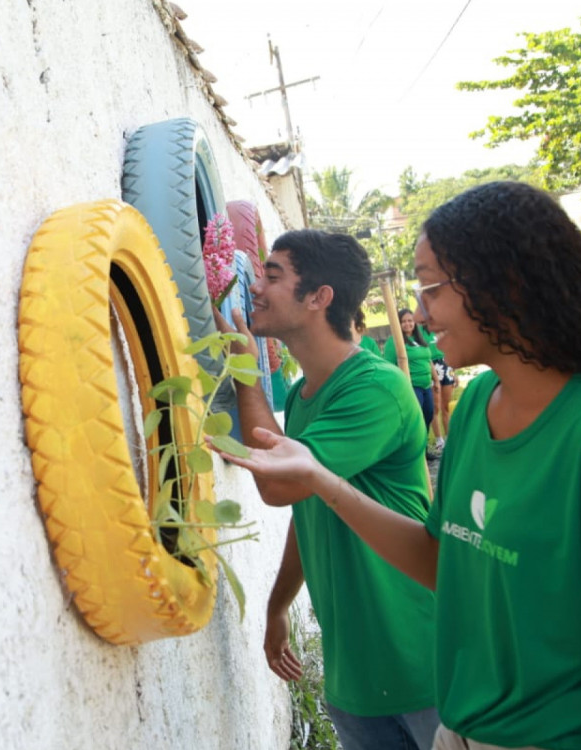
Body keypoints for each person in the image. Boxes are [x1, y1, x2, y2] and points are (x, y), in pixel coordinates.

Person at [212, 181, 581, 750]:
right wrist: (322, 484)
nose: (417, 311)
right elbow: (441, 559)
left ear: (506, 284)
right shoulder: (477, 406)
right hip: (464, 726)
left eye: (430, 287)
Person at [214, 229, 438, 750]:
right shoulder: (303, 393)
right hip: (356, 680)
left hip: (423, 665)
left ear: (319, 297)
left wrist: (246, 375)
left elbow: (279, 485)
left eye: (272, 276)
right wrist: (277, 606)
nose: (256, 290)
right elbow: (310, 507)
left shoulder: (375, 388)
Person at [381, 307, 441, 440]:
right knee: (415, 420)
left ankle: (423, 449)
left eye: (410, 321)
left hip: (426, 386)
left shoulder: (419, 339)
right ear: (398, 323)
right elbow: (390, 366)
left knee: (428, 415)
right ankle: (417, 452)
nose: (407, 324)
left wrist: (436, 380)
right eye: (403, 321)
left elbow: (428, 360)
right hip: (412, 387)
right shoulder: (394, 342)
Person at [421, 322, 456, 446]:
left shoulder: (439, 324)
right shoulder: (419, 330)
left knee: (446, 406)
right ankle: (439, 440)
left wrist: (454, 371)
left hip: (445, 363)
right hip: (431, 364)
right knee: (435, 407)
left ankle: (450, 438)